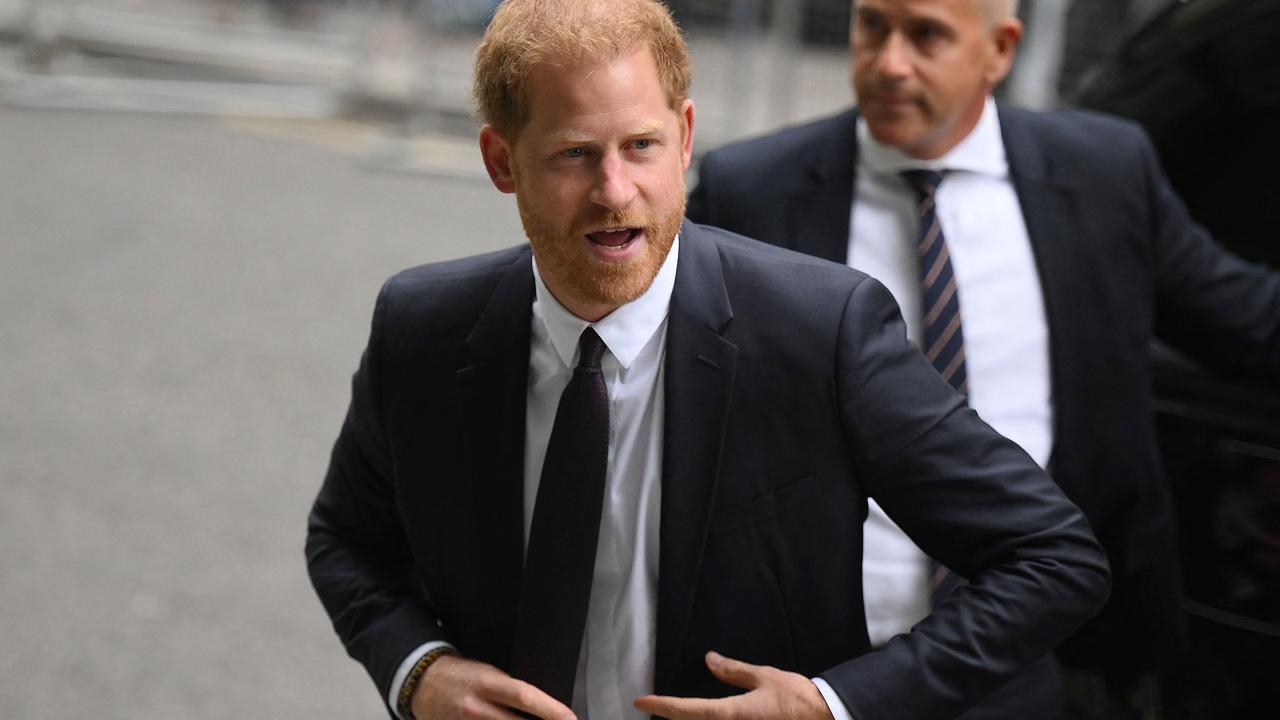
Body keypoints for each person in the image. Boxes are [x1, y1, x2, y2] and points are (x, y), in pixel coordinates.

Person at [305, 1, 1111, 719]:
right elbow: (345, 541)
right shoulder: (423, 327)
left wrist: (837, 704)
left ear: (686, 137)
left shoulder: (819, 331)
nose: (616, 190)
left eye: (642, 146)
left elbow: (1051, 557)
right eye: (575, 155)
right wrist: (419, 674)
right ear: (500, 161)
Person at [686, 0, 1280, 716]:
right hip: (813, 667)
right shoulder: (753, 190)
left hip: (1027, 659)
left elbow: (1251, 321)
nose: (888, 62)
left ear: (1000, 50)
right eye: (872, 25)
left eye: (926, 34)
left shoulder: (1104, 176)